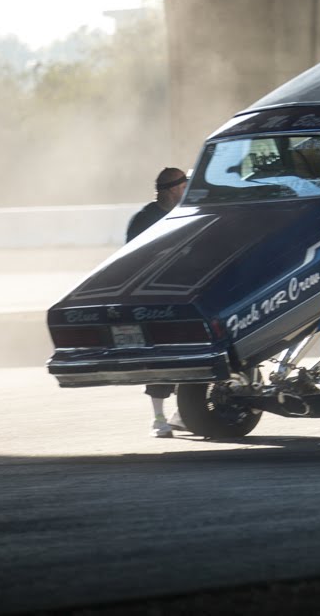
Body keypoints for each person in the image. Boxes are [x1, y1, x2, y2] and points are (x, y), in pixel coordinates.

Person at [128, 167, 188, 437]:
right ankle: (159, 418)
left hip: (182, 295)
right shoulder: (145, 219)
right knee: (161, 359)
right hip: (155, 298)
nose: (186, 190)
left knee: (188, 355)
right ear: (174, 189)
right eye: (183, 185)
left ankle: (182, 413)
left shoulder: (185, 214)